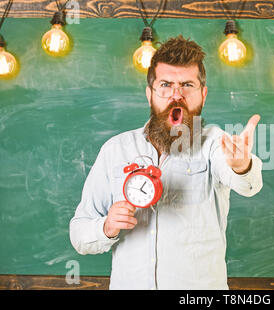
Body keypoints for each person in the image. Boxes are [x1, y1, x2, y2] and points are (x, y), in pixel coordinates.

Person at [69, 35, 263, 290]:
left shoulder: (216, 143)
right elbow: (79, 234)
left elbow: (249, 185)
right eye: (165, 84)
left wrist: (241, 165)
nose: (176, 95)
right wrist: (106, 227)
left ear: (203, 94)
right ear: (150, 94)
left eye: (187, 85)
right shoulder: (116, 150)